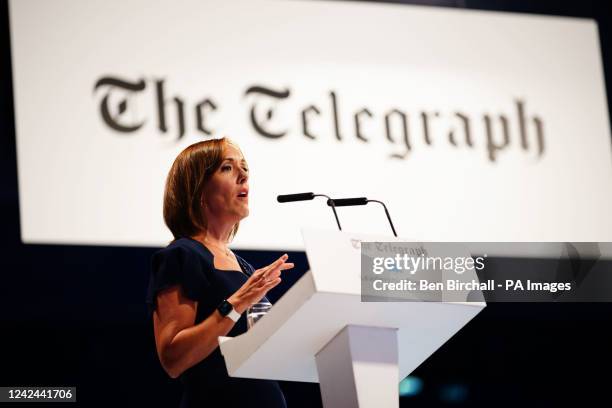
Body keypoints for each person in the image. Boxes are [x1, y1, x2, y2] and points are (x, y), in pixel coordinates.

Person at [146, 137, 294, 407]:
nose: (243, 174)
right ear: (197, 189)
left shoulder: (243, 266)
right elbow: (172, 359)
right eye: (227, 167)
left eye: (245, 167)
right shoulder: (182, 255)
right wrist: (237, 302)